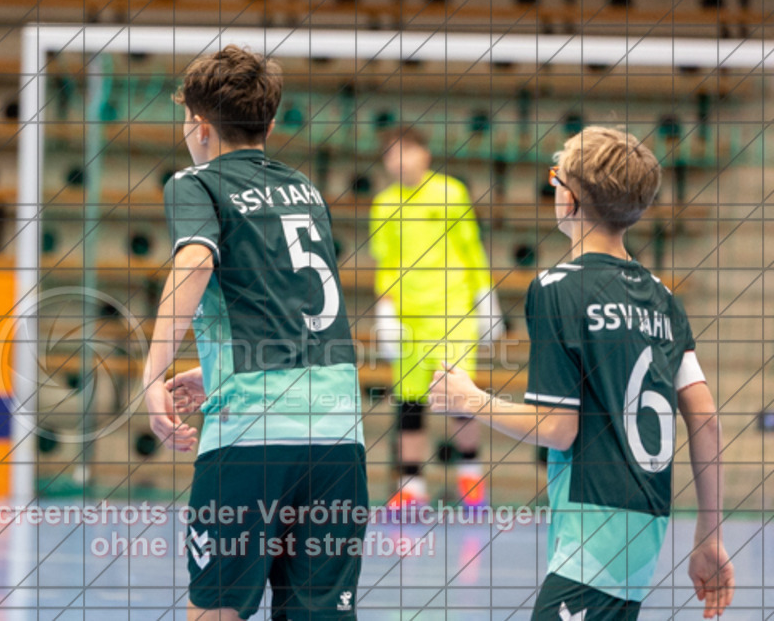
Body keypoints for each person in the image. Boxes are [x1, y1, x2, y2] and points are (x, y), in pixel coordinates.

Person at [429, 127, 734, 619]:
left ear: (569, 200)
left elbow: (557, 427)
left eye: (556, 177)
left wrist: (469, 399)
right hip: (646, 521)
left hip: (593, 529)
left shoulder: (558, 289)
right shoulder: (664, 298)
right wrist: (710, 534)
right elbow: (706, 418)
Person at [143, 45, 367, 620]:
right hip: (340, 436)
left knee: (217, 611)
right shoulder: (306, 191)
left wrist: (152, 376)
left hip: (253, 435)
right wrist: (209, 367)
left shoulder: (196, 183)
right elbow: (290, 307)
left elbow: (194, 264)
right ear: (269, 123)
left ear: (197, 124)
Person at [369, 125, 495, 510]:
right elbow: (384, 262)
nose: (400, 159)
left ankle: (470, 476)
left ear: (425, 154)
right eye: (392, 152)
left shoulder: (450, 192)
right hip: (409, 319)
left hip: (452, 311)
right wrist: (386, 308)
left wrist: (485, 296)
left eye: (407, 150)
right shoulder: (384, 205)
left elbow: (470, 248)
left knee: (458, 399)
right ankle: (411, 486)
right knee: (410, 405)